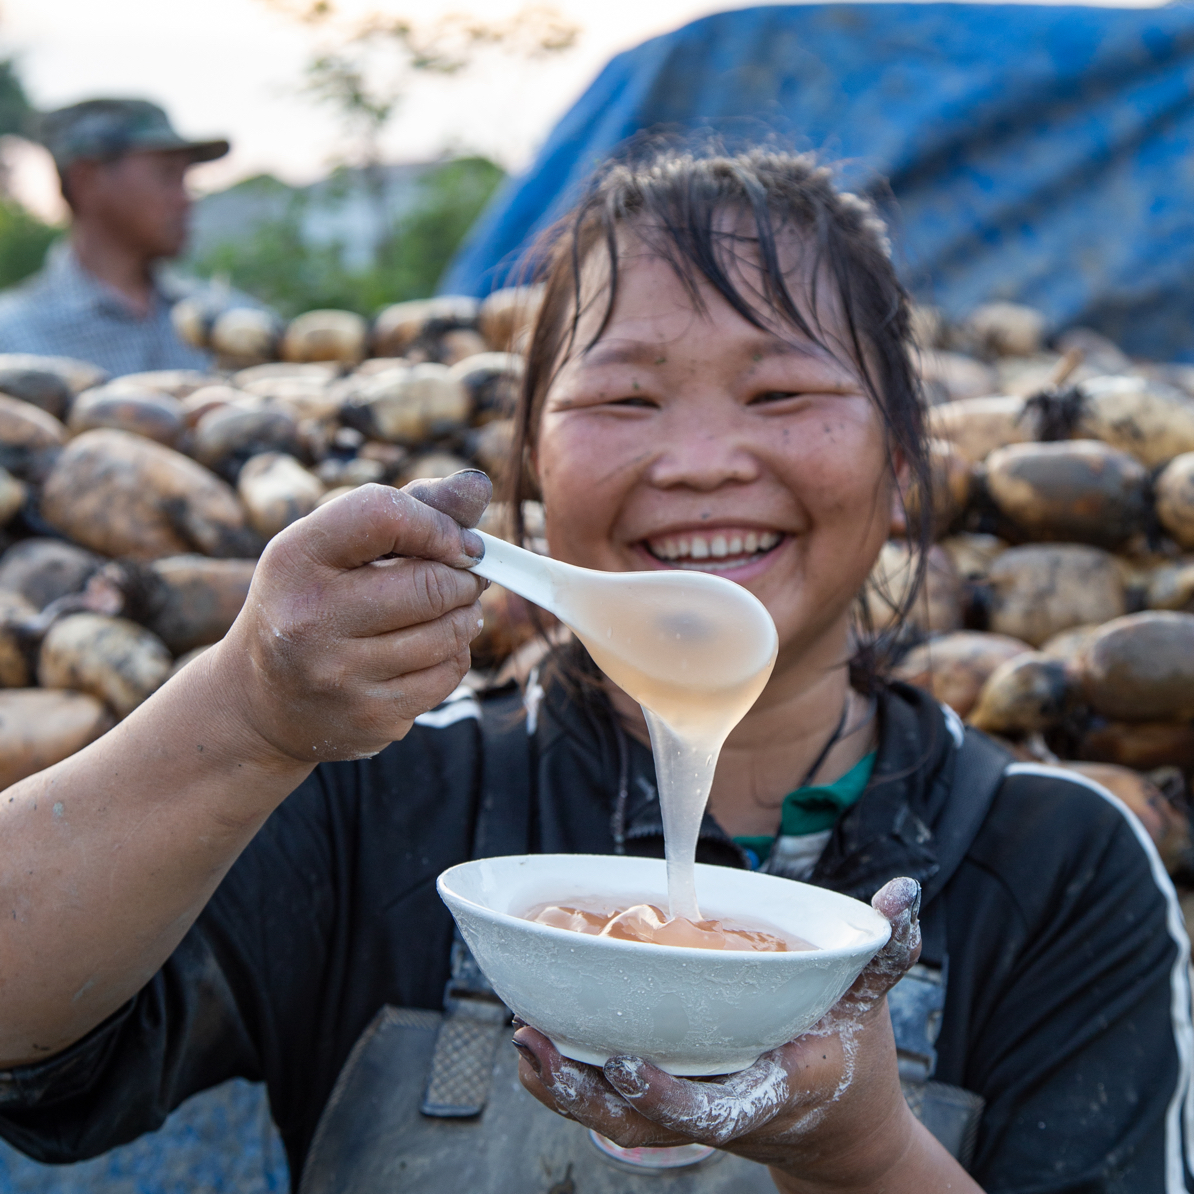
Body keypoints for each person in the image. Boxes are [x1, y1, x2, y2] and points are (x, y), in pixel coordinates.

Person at [0, 144, 1190, 1193]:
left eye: (781, 391)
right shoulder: (382, 796)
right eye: (623, 396)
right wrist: (248, 711)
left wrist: (861, 1153)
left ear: (900, 461)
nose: (704, 460)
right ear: (531, 464)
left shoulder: (1060, 866)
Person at [0, 98, 230, 376]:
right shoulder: (12, 338)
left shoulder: (230, 320)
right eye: (166, 175)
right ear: (85, 180)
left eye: (184, 178)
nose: (186, 200)